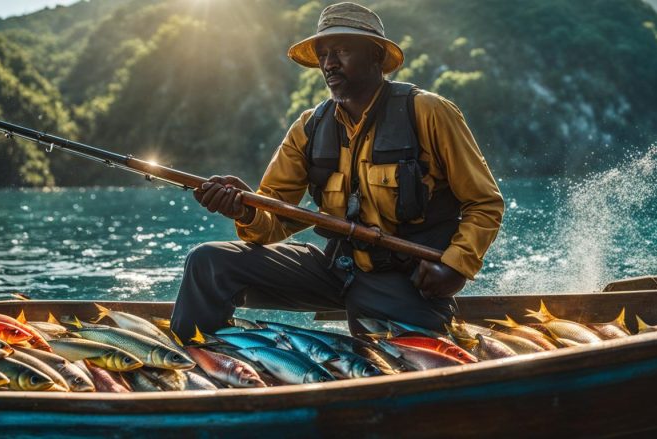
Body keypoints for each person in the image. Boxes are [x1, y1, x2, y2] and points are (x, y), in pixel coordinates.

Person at [170, 2, 504, 342]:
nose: (329, 63)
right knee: (207, 261)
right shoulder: (309, 127)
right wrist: (244, 208)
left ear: (375, 56)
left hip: (403, 281)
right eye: (324, 54)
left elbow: (484, 203)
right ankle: (199, 362)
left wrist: (456, 266)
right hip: (334, 270)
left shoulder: (428, 112)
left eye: (342, 51)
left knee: (387, 362)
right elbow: (272, 222)